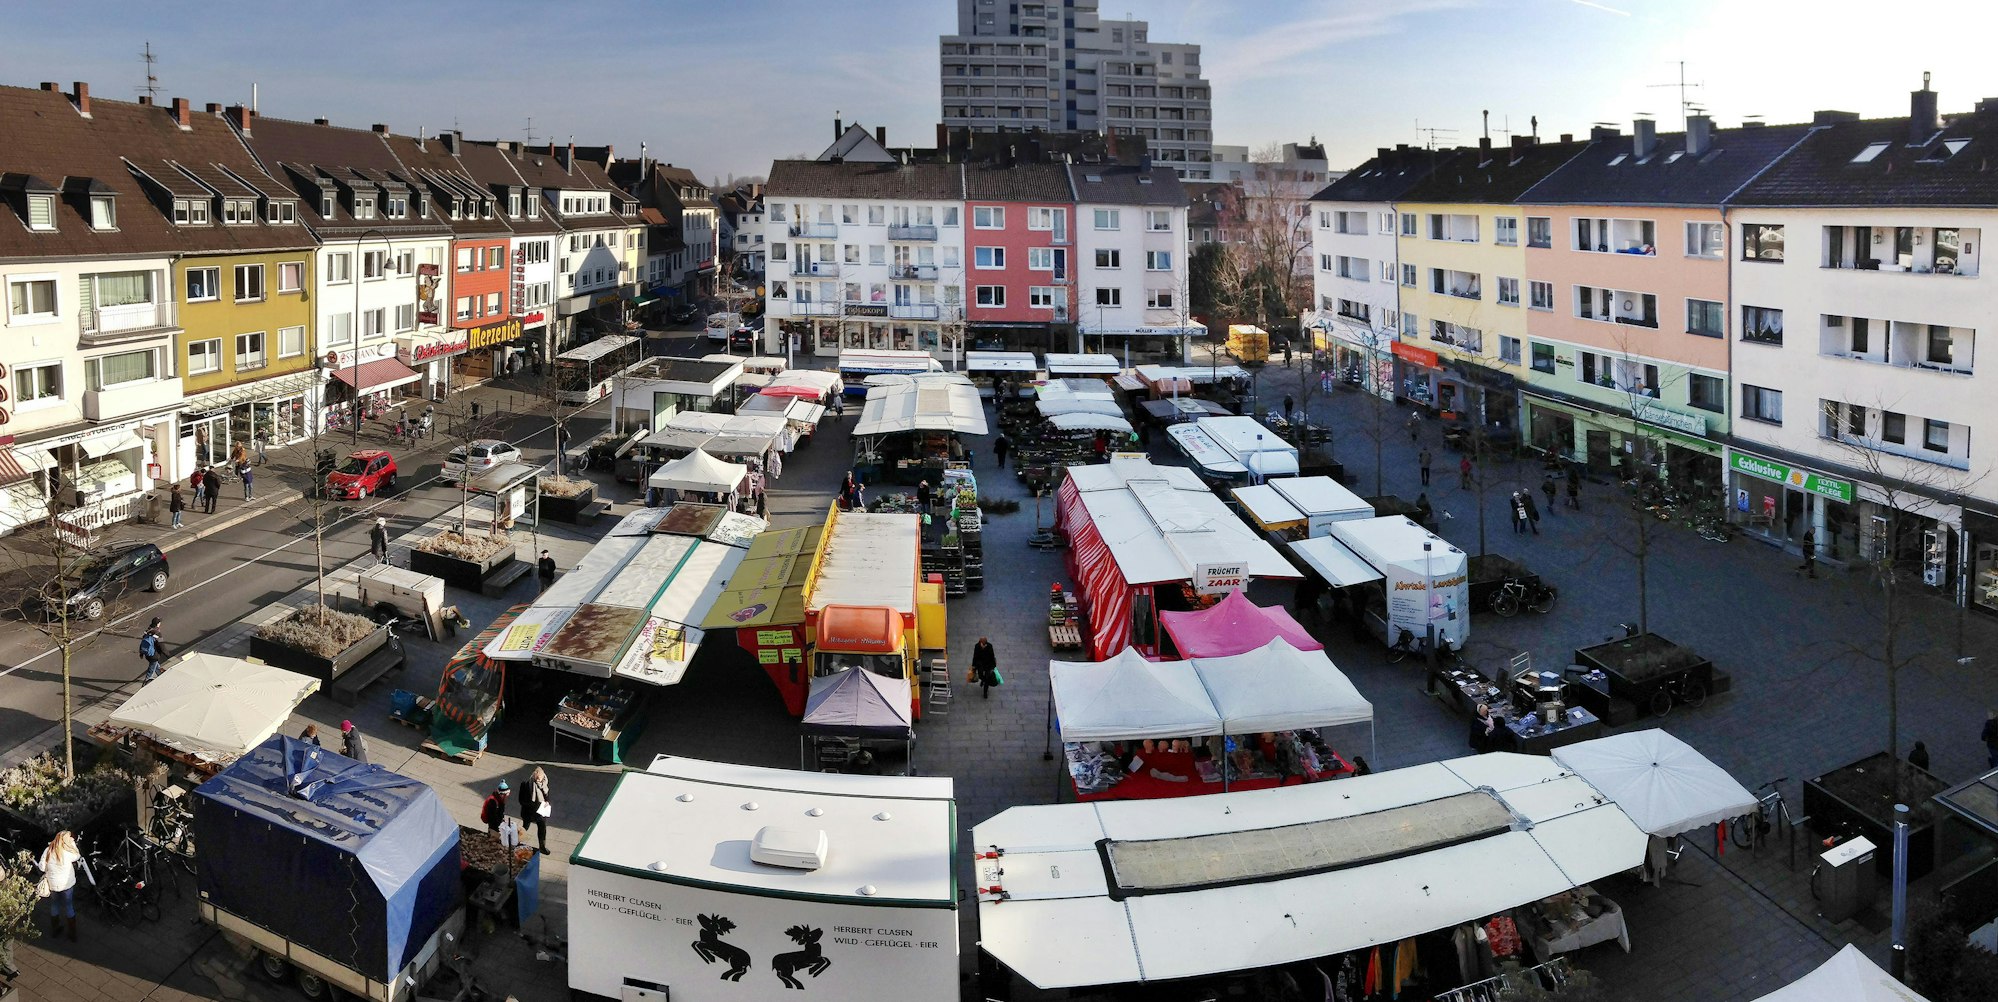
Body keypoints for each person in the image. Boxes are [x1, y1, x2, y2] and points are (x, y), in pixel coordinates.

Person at [36, 830, 91, 942]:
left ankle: (55, 929)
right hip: (67, 886)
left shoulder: (48, 850)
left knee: (55, 905)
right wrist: (72, 844)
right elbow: (78, 855)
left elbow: (41, 867)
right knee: (69, 906)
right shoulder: (67, 853)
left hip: (53, 885)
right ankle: (72, 934)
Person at [519, 767, 552, 855]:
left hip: (540, 812)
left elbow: (547, 794)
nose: (538, 781)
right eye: (537, 779)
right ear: (534, 776)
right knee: (525, 827)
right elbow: (521, 800)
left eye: (540, 780)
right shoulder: (526, 785)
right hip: (529, 811)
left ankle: (542, 847)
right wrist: (531, 805)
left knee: (542, 828)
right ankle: (517, 842)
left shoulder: (544, 783)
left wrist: (547, 802)